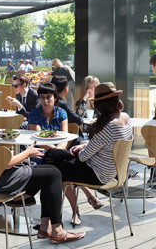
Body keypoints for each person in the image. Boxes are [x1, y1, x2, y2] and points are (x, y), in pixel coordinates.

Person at [0, 89, 85, 243]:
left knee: (49, 171)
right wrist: (27, 153)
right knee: (54, 174)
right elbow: (2, 164)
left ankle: (45, 225)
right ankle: (56, 229)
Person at [42, 82, 132, 227]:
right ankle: (46, 218)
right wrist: (84, 146)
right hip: (110, 171)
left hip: (97, 174)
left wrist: (80, 149)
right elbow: (106, 146)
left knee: (54, 170)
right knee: (52, 154)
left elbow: (84, 157)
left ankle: (48, 220)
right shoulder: (126, 118)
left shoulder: (108, 127)